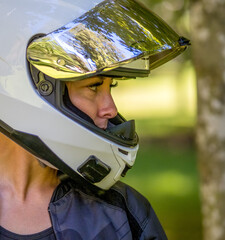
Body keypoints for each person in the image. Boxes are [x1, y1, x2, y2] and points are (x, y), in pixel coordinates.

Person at [0, 0, 190, 239]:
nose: (111, 109)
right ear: (36, 86)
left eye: (112, 87)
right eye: (93, 87)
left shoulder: (123, 214)